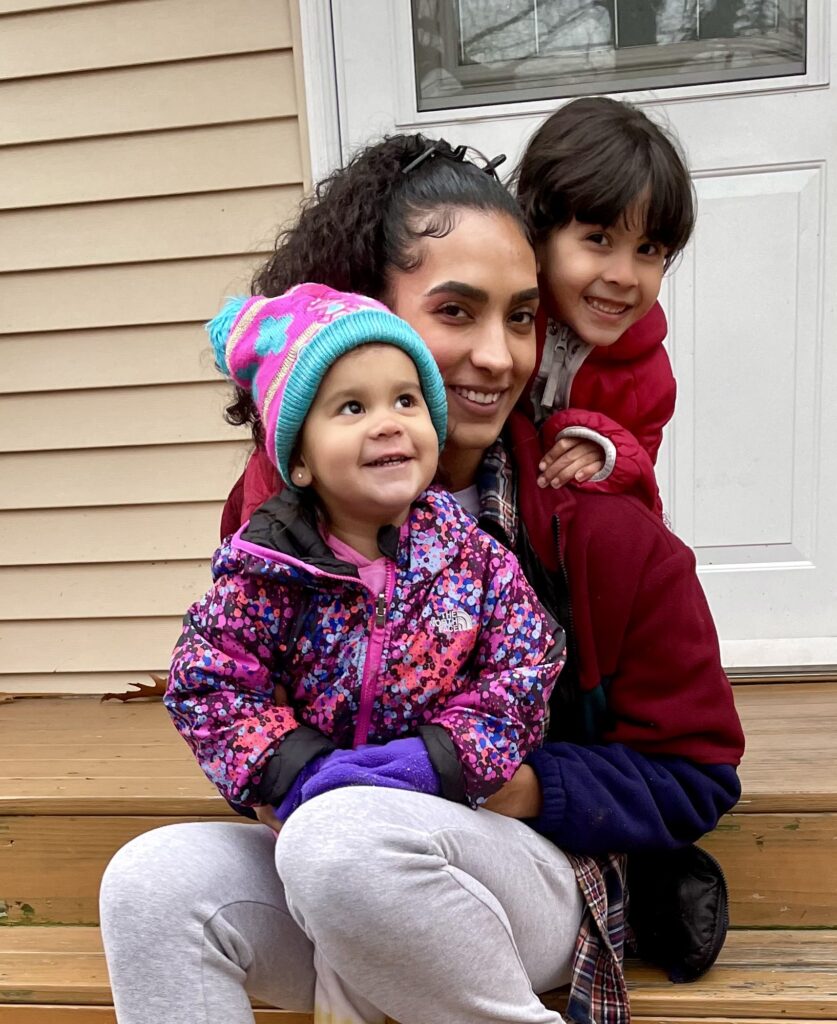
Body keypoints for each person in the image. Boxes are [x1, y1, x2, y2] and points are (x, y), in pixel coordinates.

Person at [100, 132, 744, 1024]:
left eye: (520, 317)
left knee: (344, 840)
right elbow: (228, 693)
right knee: (150, 881)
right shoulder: (278, 532)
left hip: (529, 867)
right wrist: (285, 775)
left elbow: (696, 776)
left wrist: (502, 780)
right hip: (335, 856)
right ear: (360, 321)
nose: (497, 356)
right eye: (455, 312)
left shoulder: (599, 527)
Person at [166, 282, 562, 830]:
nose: (387, 422)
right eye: (352, 406)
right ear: (299, 461)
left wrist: (438, 760)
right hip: (316, 812)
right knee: (148, 874)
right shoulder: (263, 574)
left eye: (406, 400)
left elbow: (524, 670)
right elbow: (208, 683)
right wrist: (294, 771)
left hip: (448, 818)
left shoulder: (477, 561)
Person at [514, 96, 695, 516]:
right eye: (599, 239)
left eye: (647, 249)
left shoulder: (649, 380)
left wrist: (609, 453)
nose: (624, 276)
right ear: (538, 235)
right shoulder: (501, 326)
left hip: (577, 538)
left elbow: (640, 479)